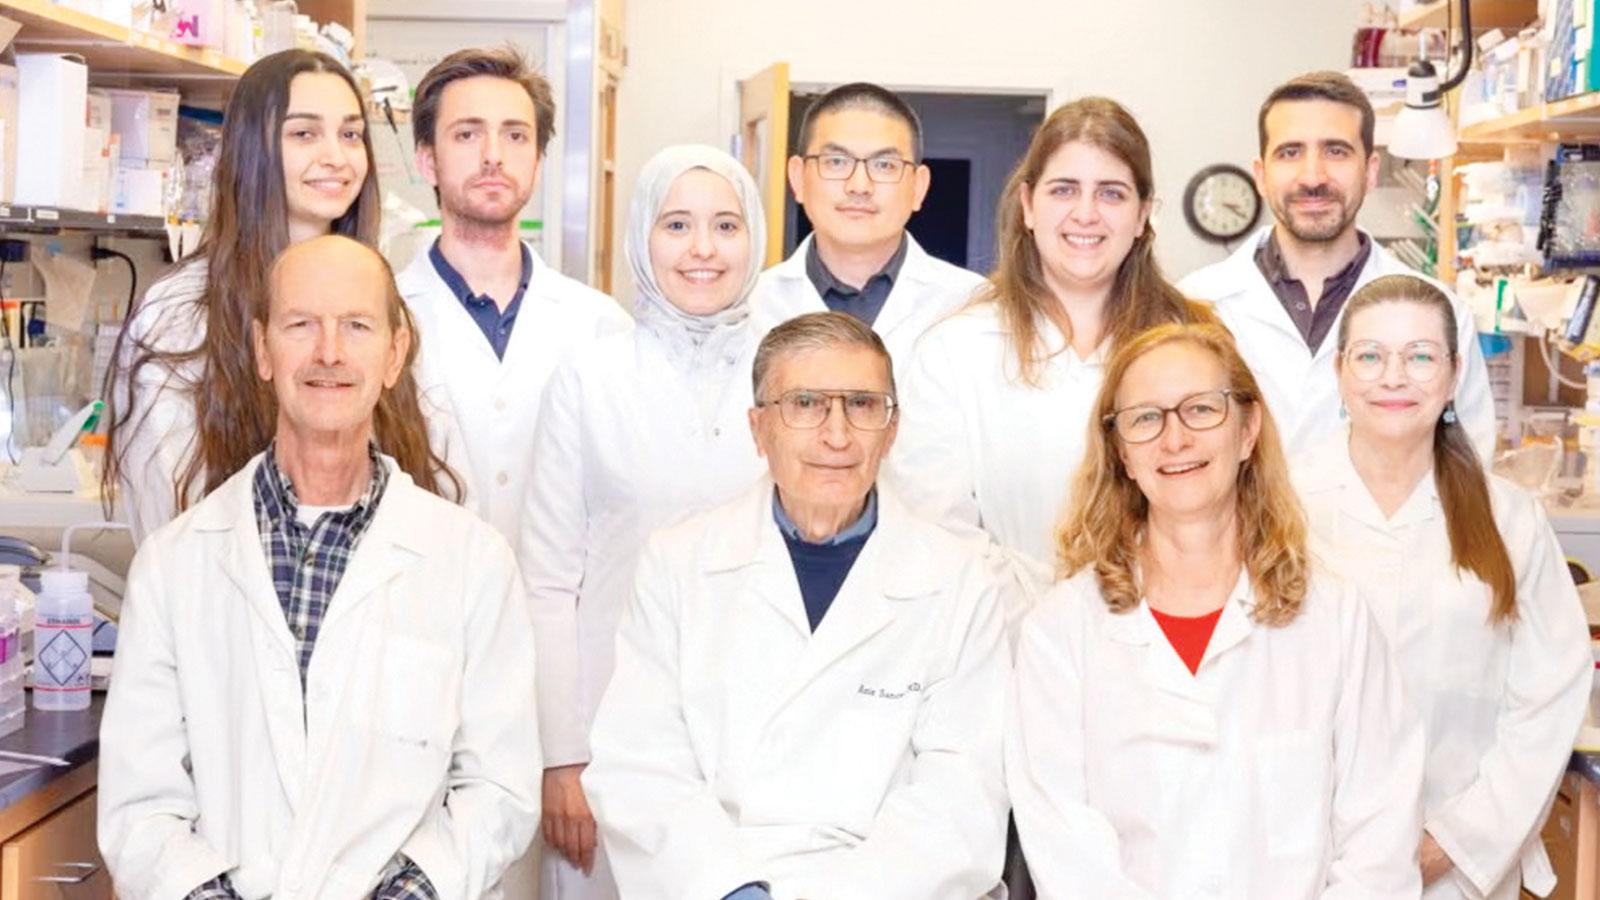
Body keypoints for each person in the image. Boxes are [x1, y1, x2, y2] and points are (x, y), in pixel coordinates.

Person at [98, 236, 540, 900]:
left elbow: (497, 789)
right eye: (301, 324)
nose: (329, 352)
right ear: (262, 350)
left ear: (394, 354)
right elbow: (141, 806)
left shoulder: (472, 562)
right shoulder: (174, 564)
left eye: (356, 326)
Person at [582, 312, 1009, 900]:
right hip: (721, 886)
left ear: (891, 431)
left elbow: (962, 794)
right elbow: (641, 767)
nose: (838, 435)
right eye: (805, 404)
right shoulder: (677, 564)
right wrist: (734, 890)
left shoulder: (960, 579)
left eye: (862, 405)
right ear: (759, 429)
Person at [1006, 320, 1424, 898]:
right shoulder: (1060, 631)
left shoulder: (1336, 616)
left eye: (1201, 409)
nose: (1175, 439)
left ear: (1248, 431)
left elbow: (1379, 837)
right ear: (1121, 453)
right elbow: (1067, 850)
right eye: (1145, 419)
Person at [521, 145, 769, 900]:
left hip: (757, 723)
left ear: (755, 238)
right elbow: (548, 582)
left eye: (726, 225)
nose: (703, 249)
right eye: (677, 224)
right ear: (641, 236)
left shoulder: (789, 373)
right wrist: (563, 756)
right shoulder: (590, 377)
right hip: (610, 729)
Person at [1294, 274, 1590, 899]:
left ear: (1454, 374)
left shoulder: (1508, 518)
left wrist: (1453, 842)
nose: (1393, 377)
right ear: (1340, 372)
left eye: (1420, 357)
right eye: (1370, 356)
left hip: (1459, 867)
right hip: (1307, 859)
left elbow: (1549, 694)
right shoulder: (1282, 508)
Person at [106, 49, 459, 544]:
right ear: (253, 149)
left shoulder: (387, 305)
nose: (336, 156)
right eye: (304, 134)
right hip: (224, 588)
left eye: (351, 134)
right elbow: (169, 527)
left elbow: (428, 492)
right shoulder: (181, 314)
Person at [889, 97, 1211, 602]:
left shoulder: (1194, 343)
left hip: (1164, 618)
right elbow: (936, 529)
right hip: (1000, 627)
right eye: (1064, 190)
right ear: (1028, 205)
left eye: (1111, 193)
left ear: (1143, 215)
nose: (1086, 214)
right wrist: (1055, 619)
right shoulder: (955, 349)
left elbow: (1221, 505)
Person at [1177, 70, 1495, 459]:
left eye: (1336, 151)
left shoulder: (1439, 313)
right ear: (1261, 175)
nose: (1313, 177)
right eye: (1290, 152)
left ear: (1371, 171)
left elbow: (1471, 467)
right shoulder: (1192, 304)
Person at [396, 46, 631, 543]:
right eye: (467, 134)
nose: (493, 155)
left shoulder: (599, 324)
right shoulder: (386, 317)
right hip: (425, 587)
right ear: (427, 161)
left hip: (560, 591)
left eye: (516, 135)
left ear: (538, 162)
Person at [754, 82, 983, 374]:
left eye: (884, 165)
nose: (859, 186)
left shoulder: (974, 305)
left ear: (919, 186)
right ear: (798, 178)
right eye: (836, 162)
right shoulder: (751, 308)